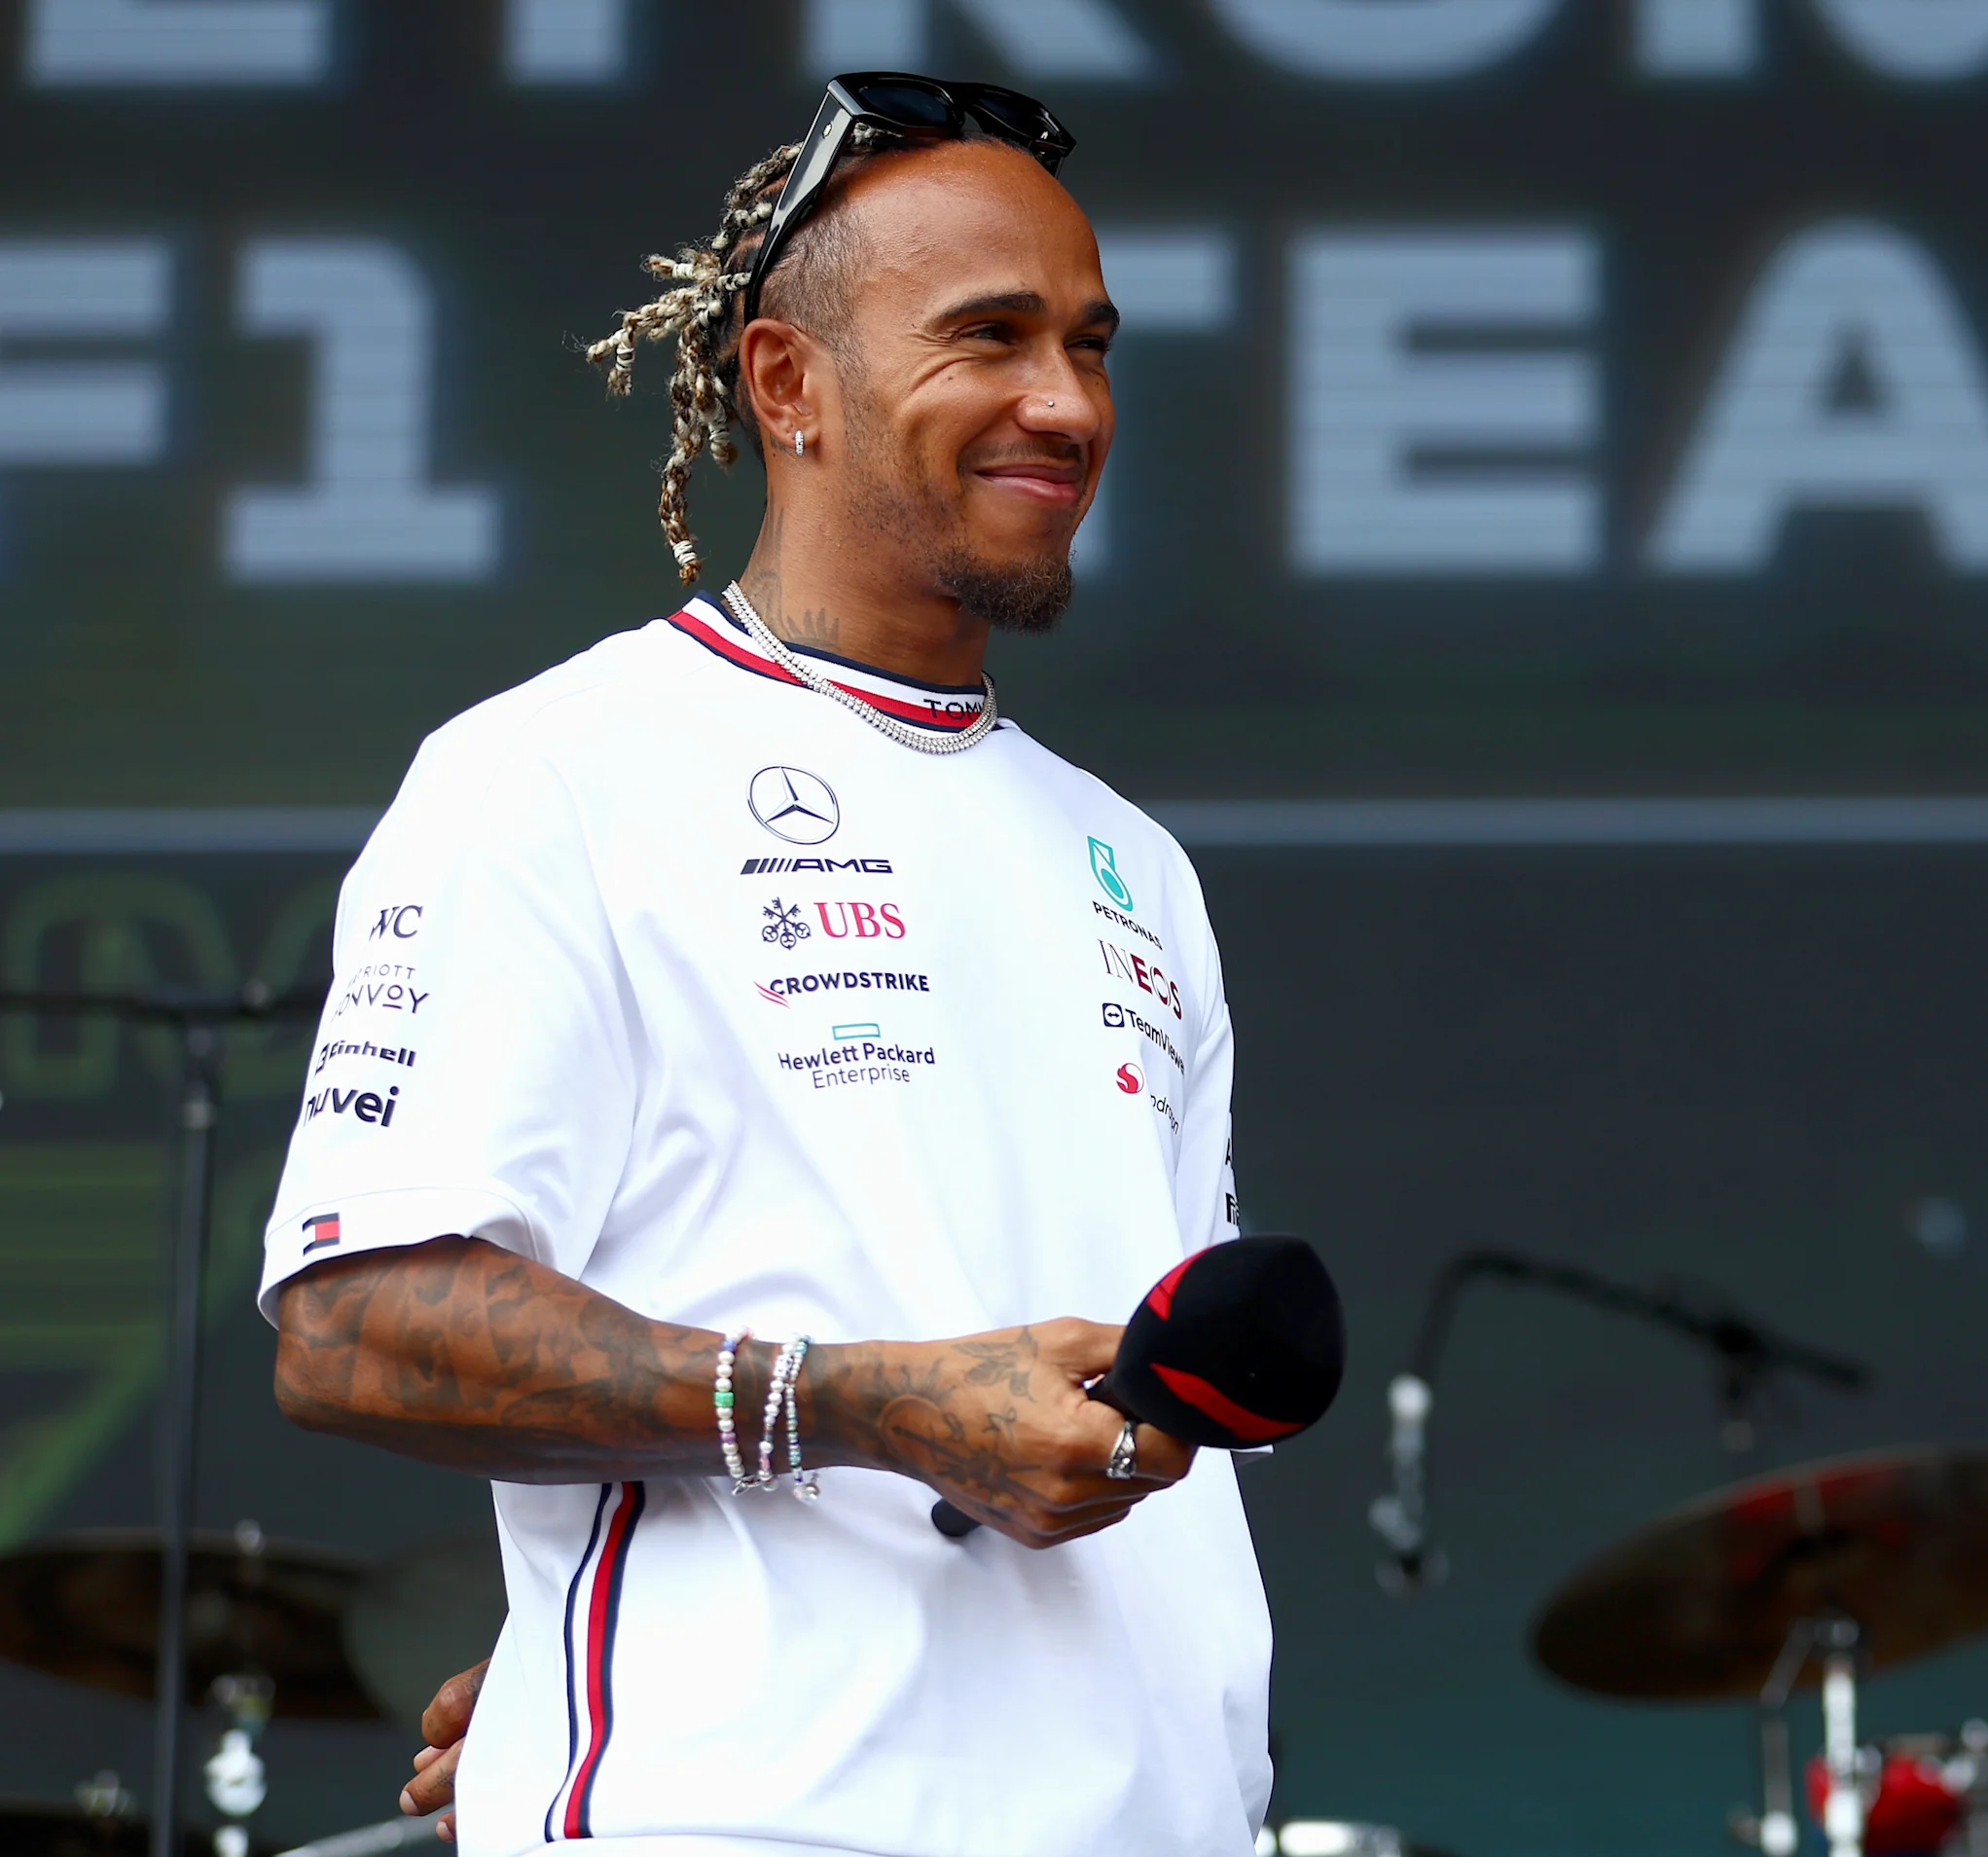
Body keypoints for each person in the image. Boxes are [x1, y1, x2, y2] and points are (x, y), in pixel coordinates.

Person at [262, 73, 1270, 1854]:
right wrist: (855, 1407)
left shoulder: (1137, 866)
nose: (1067, 403)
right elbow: (359, 1327)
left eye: (1092, 345)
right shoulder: (555, 770)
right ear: (787, 384)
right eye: (990, 337)